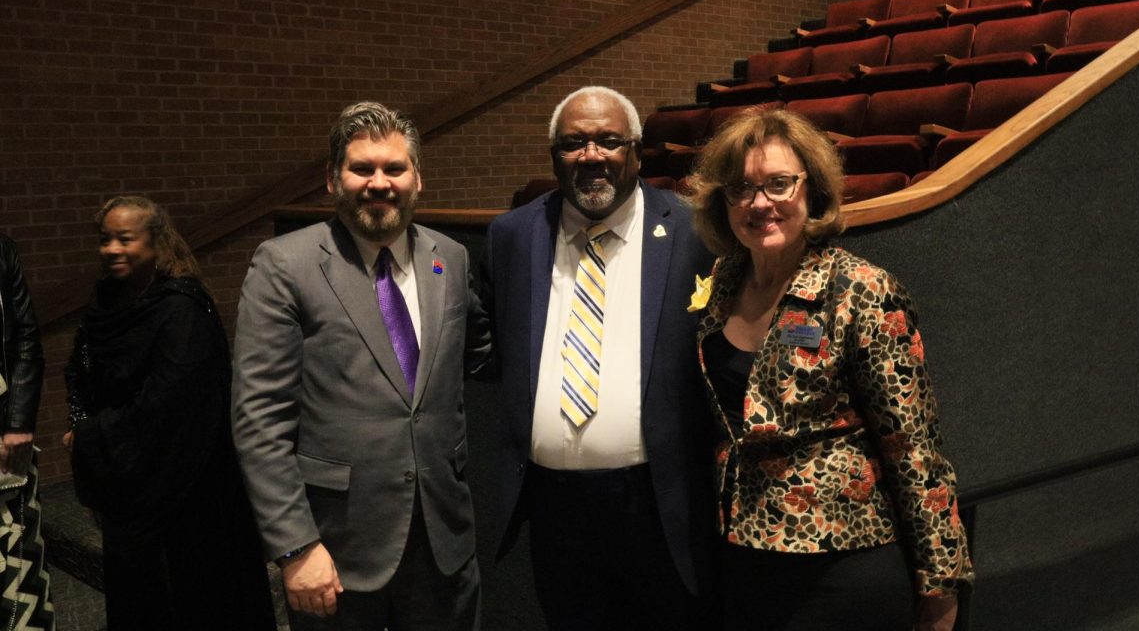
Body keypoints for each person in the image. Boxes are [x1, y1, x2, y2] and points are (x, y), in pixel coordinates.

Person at [687, 108, 973, 631]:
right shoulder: (725, 281)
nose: (759, 203)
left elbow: (914, 448)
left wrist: (941, 585)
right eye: (741, 188)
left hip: (841, 568)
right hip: (743, 561)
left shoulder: (861, 290)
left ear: (811, 190)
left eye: (778, 184)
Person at [232, 101, 491, 631]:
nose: (379, 182)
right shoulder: (286, 264)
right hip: (337, 550)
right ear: (333, 179)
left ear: (417, 178)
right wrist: (296, 547)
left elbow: (468, 360)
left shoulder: (451, 257)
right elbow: (259, 420)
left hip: (444, 539)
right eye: (362, 168)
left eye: (394, 168)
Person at [480, 85, 718, 629]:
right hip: (555, 507)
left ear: (636, 150)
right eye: (574, 143)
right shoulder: (512, 236)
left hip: (657, 502)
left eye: (609, 141)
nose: (591, 156)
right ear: (553, 157)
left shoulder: (693, 229)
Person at [62, 196, 275, 631]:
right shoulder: (106, 302)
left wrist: (92, 436)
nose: (112, 249)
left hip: (188, 494)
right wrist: (82, 422)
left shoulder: (182, 309)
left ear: (157, 243)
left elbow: (170, 406)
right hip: (130, 492)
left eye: (125, 239)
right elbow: (79, 370)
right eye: (105, 239)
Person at [0, 233, 54, 630]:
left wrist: (19, 423)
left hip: (4, 432)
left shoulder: (0, 245)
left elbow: (24, 339)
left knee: (17, 564)